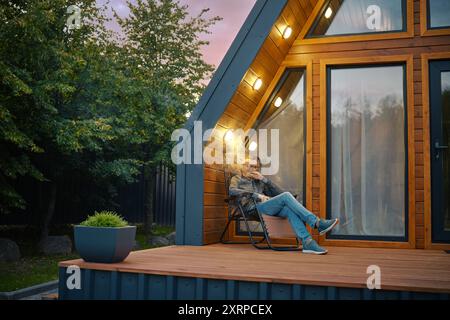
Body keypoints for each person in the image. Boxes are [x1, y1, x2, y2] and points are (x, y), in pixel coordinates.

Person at [229, 159, 338, 255]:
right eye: (251, 166)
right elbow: (232, 190)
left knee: (288, 209)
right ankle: (317, 223)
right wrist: (257, 195)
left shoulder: (260, 182)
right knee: (286, 197)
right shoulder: (237, 178)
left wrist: (264, 179)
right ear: (244, 166)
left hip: (265, 208)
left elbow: (279, 193)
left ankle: (307, 242)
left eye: (257, 167)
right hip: (252, 209)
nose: (254, 169)